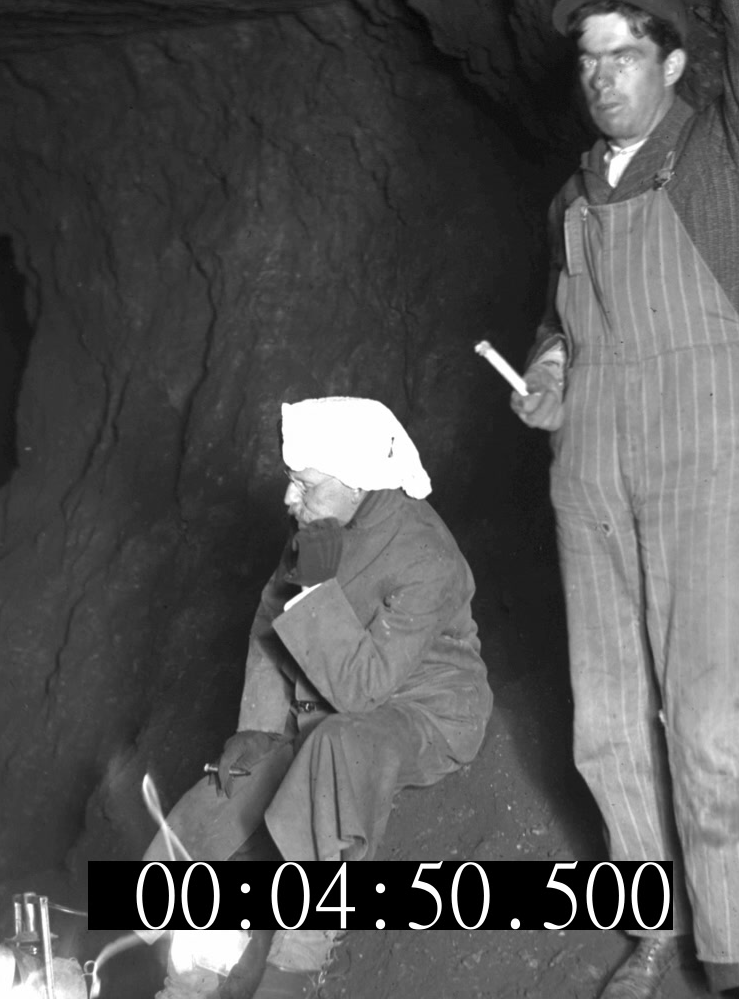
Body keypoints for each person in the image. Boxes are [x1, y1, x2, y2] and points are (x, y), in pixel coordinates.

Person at [508, 0, 739, 996]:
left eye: (625, 54)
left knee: (712, 713)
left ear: (673, 64)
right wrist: (548, 370)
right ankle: (653, 926)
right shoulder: (571, 199)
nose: (602, 76)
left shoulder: (728, 154)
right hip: (590, 470)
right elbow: (560, 323)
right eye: (588, 59)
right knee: (603, 721)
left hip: (701, 459)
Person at [146, 397, 493, 999]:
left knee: (334, 751)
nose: (290, 497)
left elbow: (363, 689)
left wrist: (311, 590)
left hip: (422, 711)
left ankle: (295, 967)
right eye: (291, 481)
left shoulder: (425, 556)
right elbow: (270, 619)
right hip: (328, 700)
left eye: (305, 485)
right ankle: (179, 977)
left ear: (356, 482)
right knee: (218, 801)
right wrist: (257, 728)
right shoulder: (323, 526)